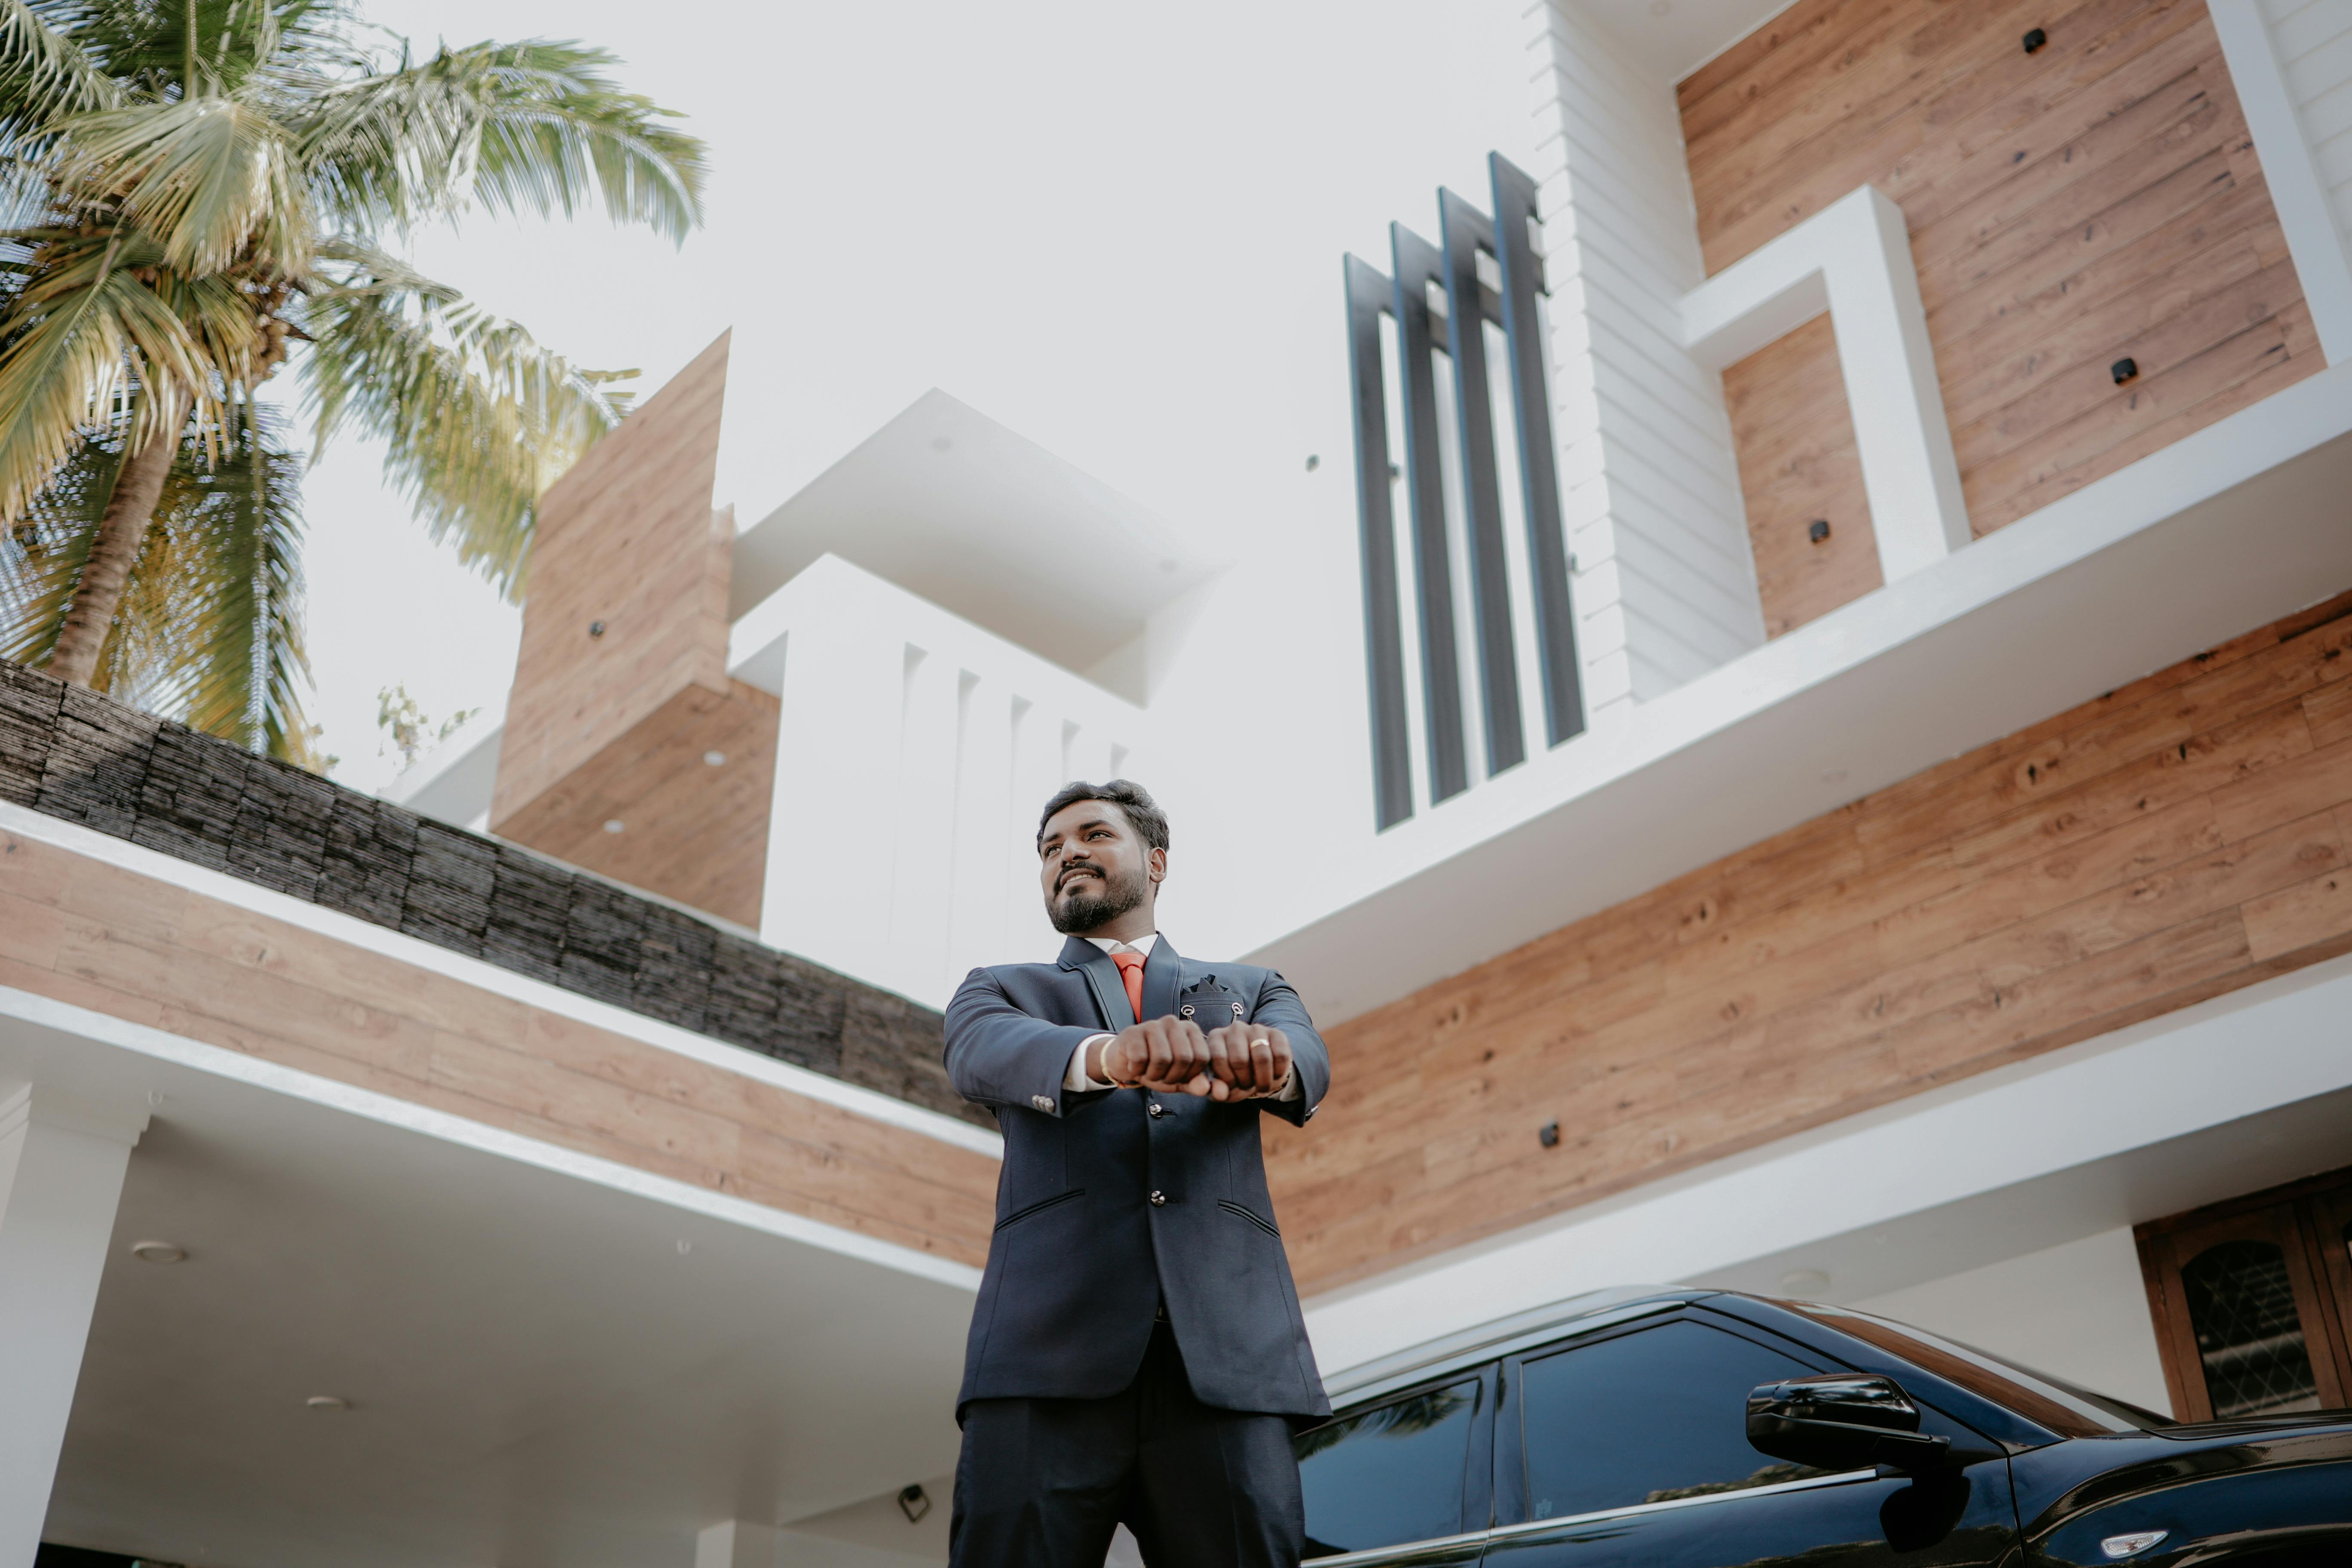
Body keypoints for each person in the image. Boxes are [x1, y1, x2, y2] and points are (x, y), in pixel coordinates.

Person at [942, 779, 1332, 1568]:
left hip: (1225, 1368)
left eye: (1092, 836)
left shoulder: (1252, 987)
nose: (1067, 855)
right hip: (1043, 1362)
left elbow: (1308, 1064)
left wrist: (1269, 1064)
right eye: (1051, 849)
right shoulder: (1001, 988)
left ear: (1156, 862)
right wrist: (1108, 1056)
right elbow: (981, 1055)